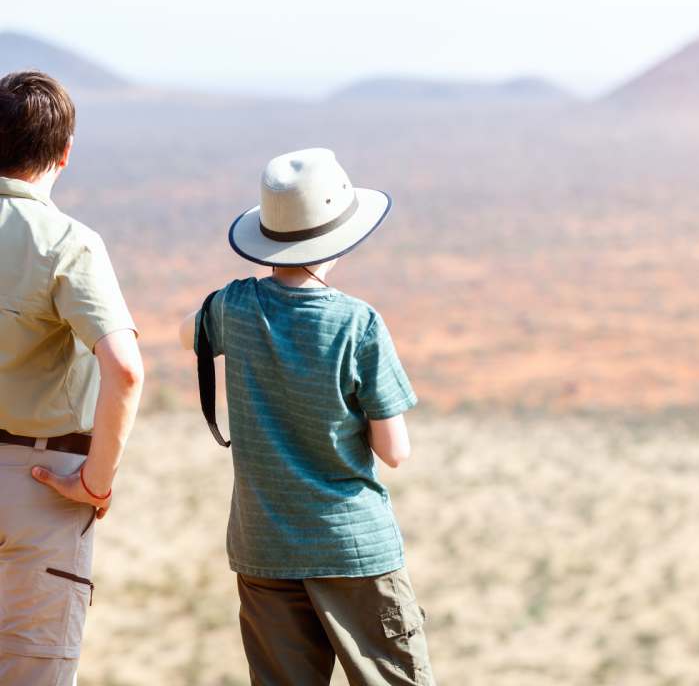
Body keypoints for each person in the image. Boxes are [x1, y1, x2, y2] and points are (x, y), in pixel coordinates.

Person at [179, 147, 435, 685]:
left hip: (263, 547)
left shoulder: (234, 306)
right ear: (340, 238)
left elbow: (188, 333)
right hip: (353, 549)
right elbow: (395, 451)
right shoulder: (357, 323)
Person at [0, 71, 144, 684]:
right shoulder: (68, 245)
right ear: (64, 153)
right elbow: (126, 371)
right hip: (40, 487)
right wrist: (96, 481)